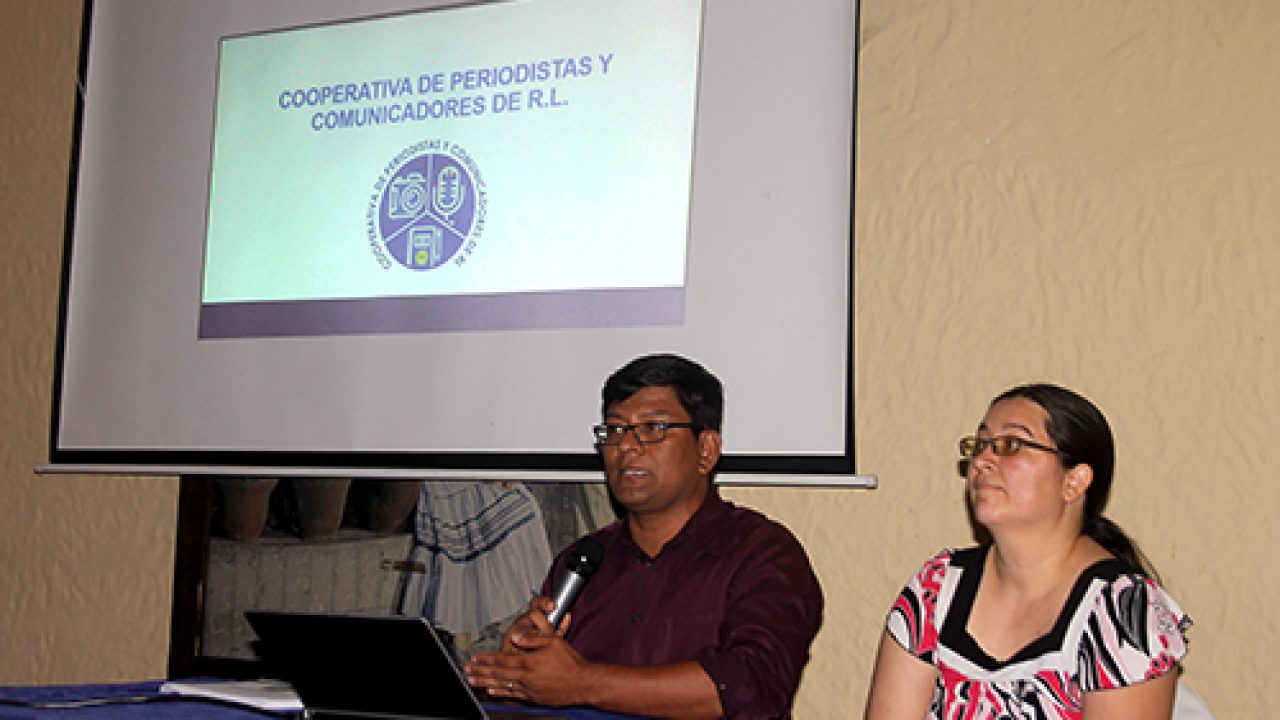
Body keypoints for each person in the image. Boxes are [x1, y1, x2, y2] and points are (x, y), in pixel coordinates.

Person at [465, 353, 823, 718]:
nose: (626, 446)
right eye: (615, 430)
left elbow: (752, 688)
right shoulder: (584, 560)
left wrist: (581, 682)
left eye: (653, 428)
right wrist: (521, 674)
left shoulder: (762, 552)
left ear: (706, 449)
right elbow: (547, 697)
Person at [864, 384, 1192, 719]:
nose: (982, 461)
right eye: (980, 445)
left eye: (1011, 445)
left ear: (1075, 481)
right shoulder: (935, 588)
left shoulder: (1122, 610)